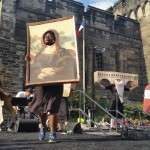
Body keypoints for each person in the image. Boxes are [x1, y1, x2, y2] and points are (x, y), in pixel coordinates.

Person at [25, 30, 69, 143]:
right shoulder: (40, 53)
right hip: (41, 84)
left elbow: (68, 65)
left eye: (50, 36)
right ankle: (43, 127)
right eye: (45, 36)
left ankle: (53, 133)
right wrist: (29, 62)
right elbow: (34, 70)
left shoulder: (62, 52)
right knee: (41, 109)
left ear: (54, 38)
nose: (47, 38)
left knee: (52, 109)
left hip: (56, 83)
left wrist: (56, 70)